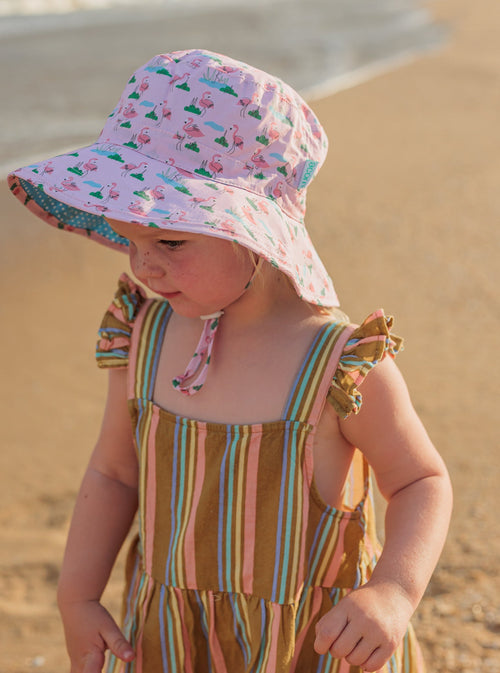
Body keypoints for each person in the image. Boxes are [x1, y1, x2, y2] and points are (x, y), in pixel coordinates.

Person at [8, 48, 452, 673]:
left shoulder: (336, 365)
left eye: (169, 239)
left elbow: (420, 482)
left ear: (253, 232)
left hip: (312, 639)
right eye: (128, 238)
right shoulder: (144, 332)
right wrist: (77, 595)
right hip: (173, 636)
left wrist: (394, 591)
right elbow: (114, 473)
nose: (144, 265)